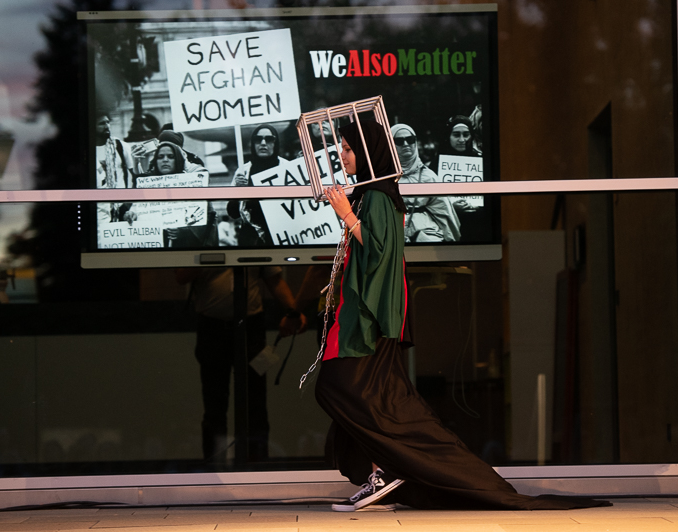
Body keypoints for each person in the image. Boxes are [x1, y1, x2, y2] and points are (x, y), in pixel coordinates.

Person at [313, 120, 609, 512]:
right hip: (366, 316)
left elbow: (380, 252)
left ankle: (388, 469)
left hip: (370, 320)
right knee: (372, 400)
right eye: (342, 148)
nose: (342, 155)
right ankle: (386, 471)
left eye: (349, 148)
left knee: (345, 390)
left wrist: (347, 215)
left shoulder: (379, 196)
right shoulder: (371, 195)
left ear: (368, 152)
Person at [176, 267, 307, 464]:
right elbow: (181, 276)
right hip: (212, 328)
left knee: (255, 401)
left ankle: (256, 461)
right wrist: (209, 256)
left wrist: (293, 311)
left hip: (251, 328)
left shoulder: (254, 245)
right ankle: (215, 465)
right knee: (214, 403)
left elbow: (274, 279)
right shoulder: (201, 247)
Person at [391, 124, 461, 243]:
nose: (406, 144)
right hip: (391, 231)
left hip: (425, 232)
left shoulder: (428, 176)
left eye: (410, 139)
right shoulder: (382, 177)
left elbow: (443, 211)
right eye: (399, 141)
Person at [228, 125, 289, 246]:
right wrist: (238, 192)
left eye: (269, 139)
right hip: (251, 240)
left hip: (282, 237)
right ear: (252, 143)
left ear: (276, 143)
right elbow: (233, 213)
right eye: (258, 139)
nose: (263, 143)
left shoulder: (287, 167)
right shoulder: (243, 171)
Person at [95, 112, 145, 189]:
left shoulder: (120, 146)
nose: (107, 126)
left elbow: (137, 175)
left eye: (108, 122)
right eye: (101, 124)